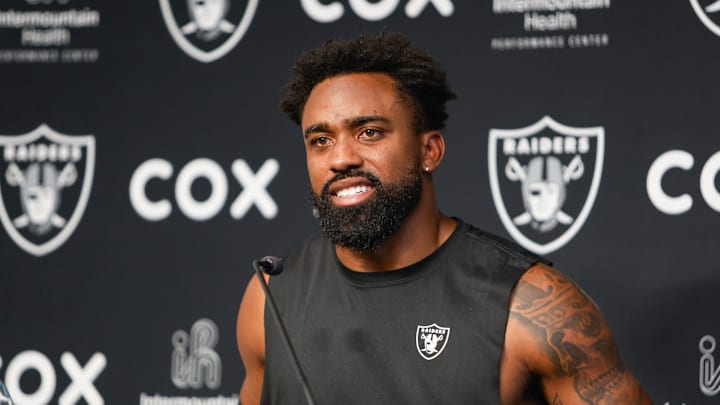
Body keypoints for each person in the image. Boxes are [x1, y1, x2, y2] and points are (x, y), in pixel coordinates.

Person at [236, 32, 651, 405]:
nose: (341, 158)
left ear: (430, 151)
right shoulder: (270, 298)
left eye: (369, 133)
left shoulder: (531, 307)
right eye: (321, 140)